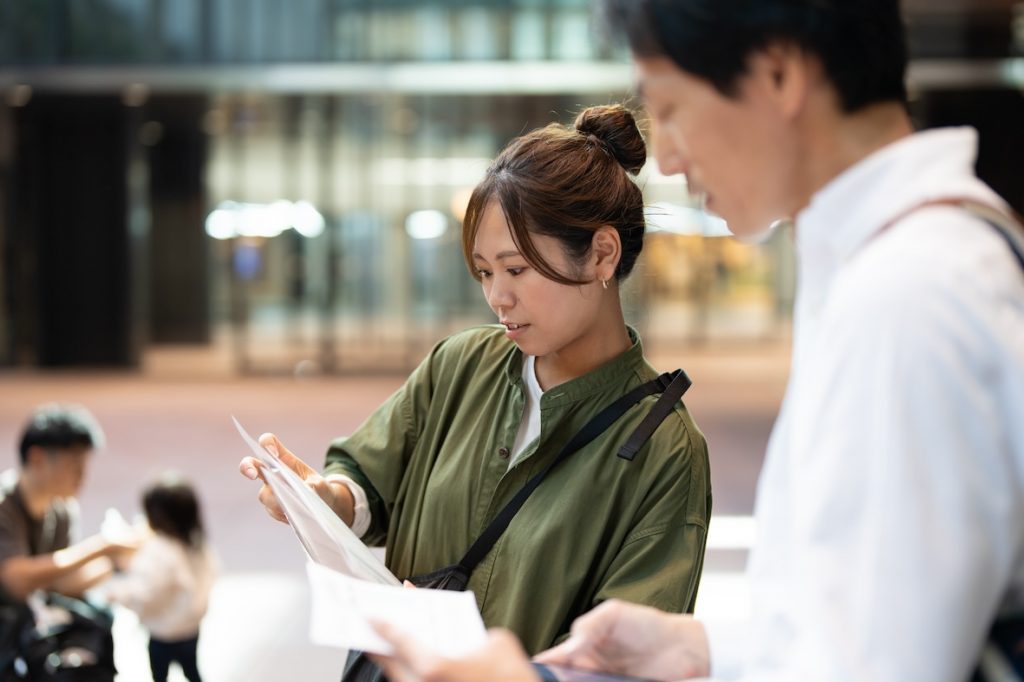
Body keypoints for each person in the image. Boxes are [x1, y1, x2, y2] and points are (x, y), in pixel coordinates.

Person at [368, 0, 1024, 680]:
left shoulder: (907, 298)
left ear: (777, 75)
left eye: (672, 107)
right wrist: (704, 652)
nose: (670, 157)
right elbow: (863, 623)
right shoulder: (934, 256)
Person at [239, 105, 712, 676]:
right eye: (485, 272)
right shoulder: (463, 365)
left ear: (602, 254)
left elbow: (624, 665)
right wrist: (328, 498)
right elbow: (369, 476)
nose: (497, 298)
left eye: (516, 270)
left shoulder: (663, 451)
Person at [0, 403, 133, 607]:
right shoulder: (4, 504)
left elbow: (60, 581)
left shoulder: (62, 510)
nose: (82, 477)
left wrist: (115, 560)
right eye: (74, 466)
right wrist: (102, 546)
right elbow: (17, 582)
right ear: (37, 459)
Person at [97, 474, 217, 682]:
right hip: (190, 627)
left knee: (159, 674)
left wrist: (115, 592)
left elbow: (146, 593)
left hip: (164, 632)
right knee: (192, 671)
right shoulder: (197, 543)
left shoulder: (159, 551)